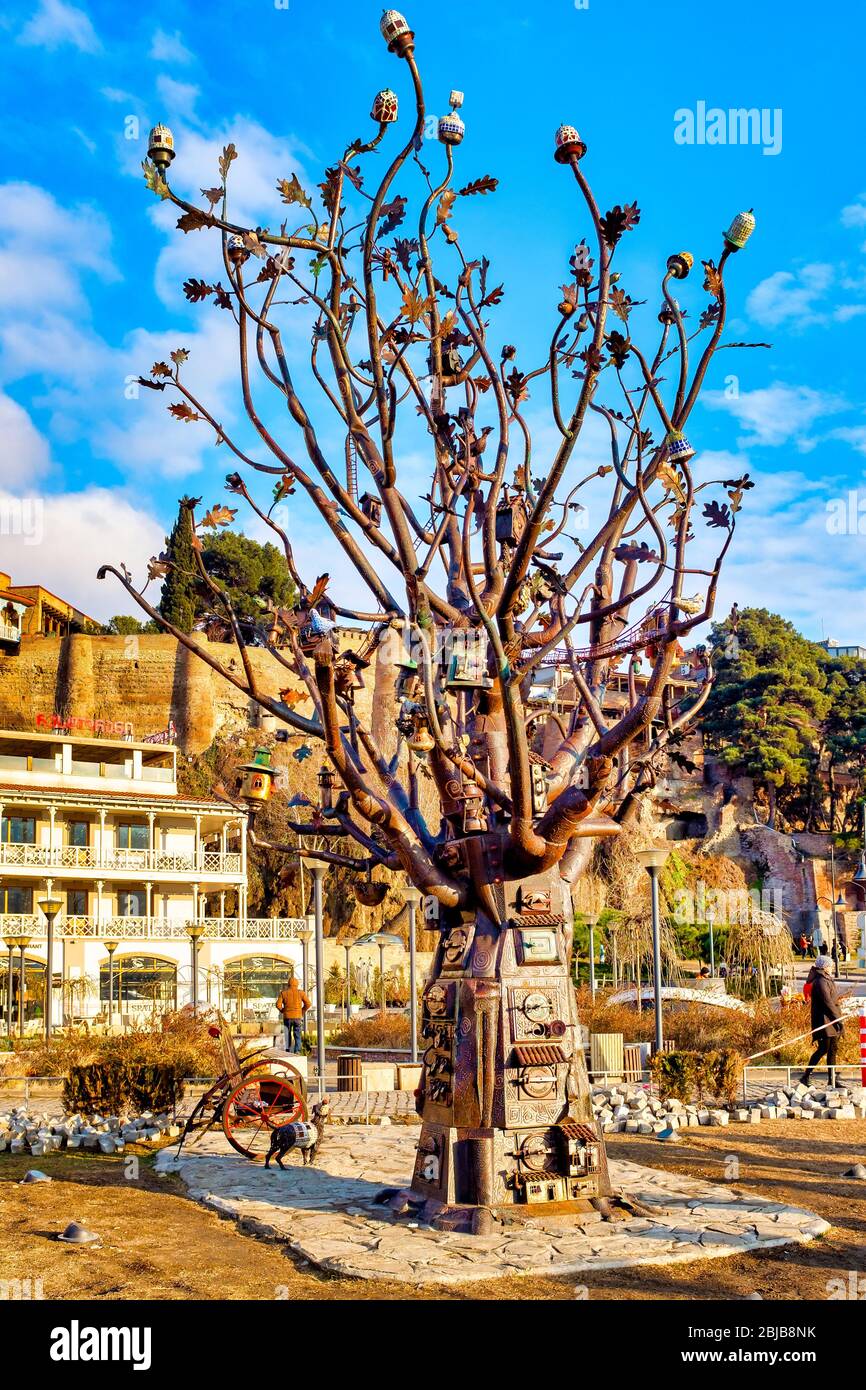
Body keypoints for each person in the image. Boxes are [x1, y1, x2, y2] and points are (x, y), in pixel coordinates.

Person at [800, 954, 844, 1085]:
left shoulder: (826, 979)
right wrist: (838, 1020)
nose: (831, 967)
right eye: (830, 965)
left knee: (832, 1050)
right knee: (824, 1049)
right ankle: (806, 1076)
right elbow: (828, 1003)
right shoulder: (820, 982)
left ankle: (832, 1080)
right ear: (824, 967)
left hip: (831, 1020)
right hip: (824, 1021)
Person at [276, 973, 311, 1054]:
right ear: (297, 984)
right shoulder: (301, 993)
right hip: (298, 1017)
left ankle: (288, 1050)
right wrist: (302, 1011)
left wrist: (283, 1011)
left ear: (288, 984)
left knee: (287, 1034)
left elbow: (278, 1005)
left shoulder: (283, 993)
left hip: (287, 1017)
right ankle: (297, 1051)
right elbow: (308, 1004)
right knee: (297, 1034)